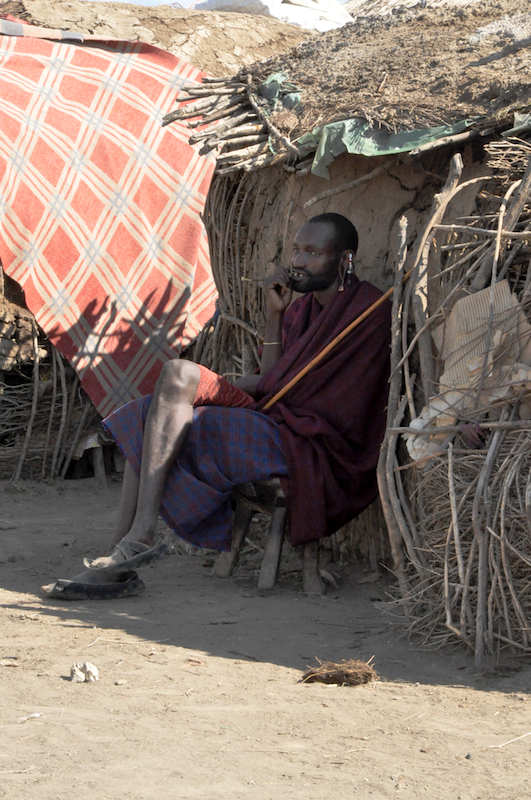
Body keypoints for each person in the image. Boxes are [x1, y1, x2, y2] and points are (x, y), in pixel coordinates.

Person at [42, 213, 392, 600]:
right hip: (277, 421)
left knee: (176, 380)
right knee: (150, 411)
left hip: (310, 444)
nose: (298, 261)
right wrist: (275, 315)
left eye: (312, 252)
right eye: (296, 249)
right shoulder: (301, 310)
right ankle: (121, 550)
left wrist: (230, 386)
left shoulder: (368, 312)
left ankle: (139, 536)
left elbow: (331, 400)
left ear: (344, 260)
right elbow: (276, 375)